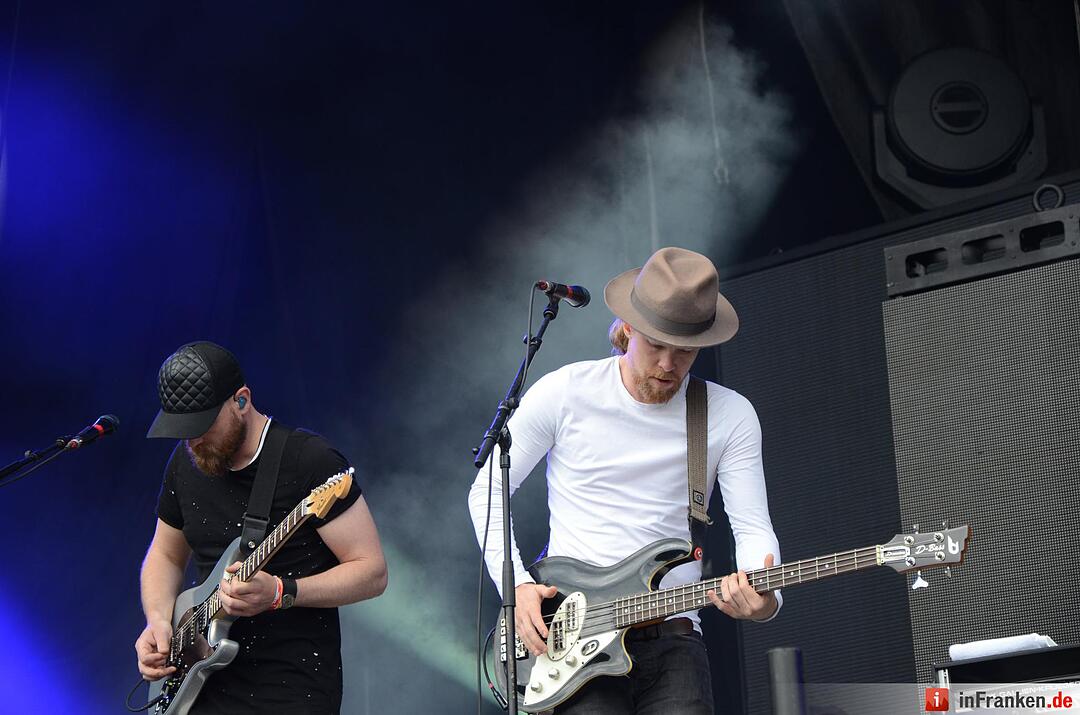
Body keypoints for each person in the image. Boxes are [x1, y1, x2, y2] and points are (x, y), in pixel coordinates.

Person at [467, 247, 782, 714]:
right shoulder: (566, 391)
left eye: (685, 351)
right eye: (656, 344)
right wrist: (515, 590)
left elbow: (753, 527)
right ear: (627, 328)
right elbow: (488, 489)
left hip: (674, 635)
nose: (668, 365)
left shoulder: (729, 414)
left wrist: (765, 595)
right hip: (575, 635)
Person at [135, 341, 387, 714]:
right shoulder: (186, 461)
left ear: (241, 400)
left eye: (203, 425)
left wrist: (282, 591)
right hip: (199, 691)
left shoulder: (308, 461)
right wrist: (158, 623)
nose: (195, 441)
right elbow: (165, 554)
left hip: (290, 691)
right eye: (184, 431)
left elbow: (372, 572)